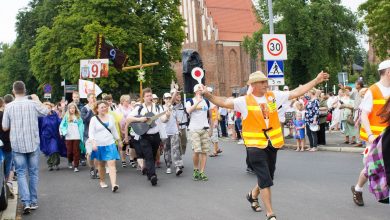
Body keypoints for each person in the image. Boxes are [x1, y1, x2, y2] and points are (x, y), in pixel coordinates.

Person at [201, 70, 329, 220]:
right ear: (253, 85)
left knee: (268, 177)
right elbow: (223, 102)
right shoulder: (244, 101)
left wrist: (316, 80)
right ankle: (270, 213)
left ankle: (253, 195)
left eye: (265, 81)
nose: (265, 84)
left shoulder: (273, 96)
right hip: (255, 145)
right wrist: (207, 95)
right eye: (262, 82)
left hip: (272, 143)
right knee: (264, 177)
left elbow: (296, 92)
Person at [2, 81, 50, 214]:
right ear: (25, 90)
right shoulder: (33, 104)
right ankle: (33, 201)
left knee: (21, 172)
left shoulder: (9, 107)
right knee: (33, 172)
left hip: (17, 144)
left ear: (13, 91)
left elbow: (5, 126)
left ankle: (26, 202)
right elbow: (46, 112)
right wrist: (38, 99)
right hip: (33, 143)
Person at [351, 60, 390, 206]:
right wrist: (370, 135)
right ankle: (358, 189)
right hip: (375, 138)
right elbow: (364, 115)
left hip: (388, 138)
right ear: (388, 72)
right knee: (370, 168)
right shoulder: (372, 91)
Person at [126, 88, 170, 186]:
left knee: (153, 155)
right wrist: (141, 119)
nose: (149, 97)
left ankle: (149, 173)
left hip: (156, 135)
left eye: (150, 95)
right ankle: (153, 176)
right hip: (144, 135)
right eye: (147, 96)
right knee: (148, 155)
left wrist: (167, 116)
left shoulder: (158, 108)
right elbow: (128, 118)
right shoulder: (139, 108)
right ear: (143, 98)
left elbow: (163, 119)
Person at [89, 101, 122, 192]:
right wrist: (93, 143)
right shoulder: (94, 119)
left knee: (111, 163)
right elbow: (91, 133)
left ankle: (114, 184)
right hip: (99, 144)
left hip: (110, 143)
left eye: (105, 107)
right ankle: (102, 181)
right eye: (102, 107)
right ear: (97, 109)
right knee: (101, 164)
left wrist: (119, 140)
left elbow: (114, 130)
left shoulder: (111, 117)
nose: (104, 108)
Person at [186, 84, 213, 181]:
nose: (201, 91)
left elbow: (210, 116)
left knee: (204, 151)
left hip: (204, 128)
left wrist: (211, 129)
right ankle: (195, 169)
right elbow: (188, 110)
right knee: (197, 151)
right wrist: (198, 103)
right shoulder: (190, 101)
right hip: (194, 129)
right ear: (195, 91)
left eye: (201, 89)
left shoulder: (206, 101)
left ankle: (202, 172)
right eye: (199, 89)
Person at [38, 102, 67, 171]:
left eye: (49, 108)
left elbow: (60, 122)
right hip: (46, 137)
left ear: (51, 108)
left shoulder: (55, 115)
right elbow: (38, 126)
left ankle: (55, 164)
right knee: (49, 151)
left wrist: (63, 111)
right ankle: (50, 164)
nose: (47, 109)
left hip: (54, 136)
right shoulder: (41, 117)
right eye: (46, 108)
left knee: (55, 150)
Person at [161, 92, 184, 175]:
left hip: (174, 131)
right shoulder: (160, 108)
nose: (167, 100)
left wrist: (178, 130)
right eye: (166, 98)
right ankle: (168, 166)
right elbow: (163, 120)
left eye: (169, 98)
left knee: (176, 149)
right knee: (167, 150)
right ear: (163, 100)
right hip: (165, 132)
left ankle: (178, 166)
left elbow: (176, 120)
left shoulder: (174, 108)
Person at [59, 103, 85, 172]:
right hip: (68, 136)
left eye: (73, 108)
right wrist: (63, 132)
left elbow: (82, 126)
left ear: (75, 109)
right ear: (69, 109)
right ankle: (70, 161)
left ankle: (76, 166)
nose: (72, 109)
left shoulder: (78, 116)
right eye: (71, 108)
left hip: (77, 136)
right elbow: (62, 125)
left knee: (76, 151)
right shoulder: (66, 116)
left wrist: (81, 134)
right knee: (69, 151)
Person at [116, 95, 136, 168]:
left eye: (128, 100)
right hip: (122, 128)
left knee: (132, 145)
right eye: (126, 101)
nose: (128, 102)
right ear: (122, 101)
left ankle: (131, 159)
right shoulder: (119, 109)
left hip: (131, 128)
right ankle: (123, 160)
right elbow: (118, 120)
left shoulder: (131, 108)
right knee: (123, 146)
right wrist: (121, 130)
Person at [81, 93, 98, 178]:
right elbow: (84, 120)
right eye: (92, 97)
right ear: (88, 99)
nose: (94, 99)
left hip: (98, 134)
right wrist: (91, 110)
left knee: (97, 153)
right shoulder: (85, 108)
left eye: (95, 97)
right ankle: (92, 168)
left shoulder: (98, 107)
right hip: (88, 135)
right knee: (90, 153)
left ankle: (98, 169)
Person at [172, 90, 188, 156]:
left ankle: (180, 155)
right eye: (177, 95)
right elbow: (172, 101)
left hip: (183, 127)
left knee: (184, 142)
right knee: (177, 144)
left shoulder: (184, 103)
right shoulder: (172, 105)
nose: (179, 96)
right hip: (175, 127)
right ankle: (178, 159)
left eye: (179, 94)